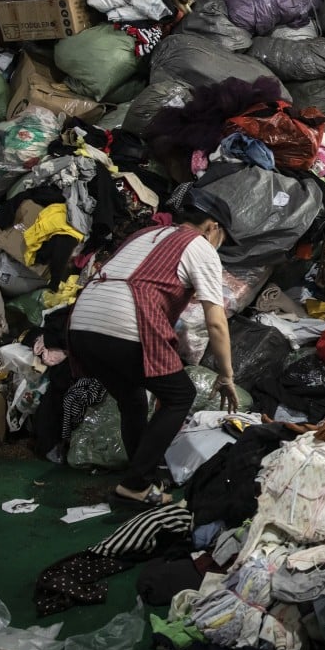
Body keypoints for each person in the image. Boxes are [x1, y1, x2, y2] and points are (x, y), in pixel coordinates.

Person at [69, 188, 240, 507]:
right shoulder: (200, 246)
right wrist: (226, 376)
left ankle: (143, 478)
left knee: (132, 398)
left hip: (83, 321)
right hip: (124, 322)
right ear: (211, 227)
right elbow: (216, 321)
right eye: (223, 237)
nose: (220, 245)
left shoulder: (146, 233)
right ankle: (135, 484)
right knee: (180, 394)